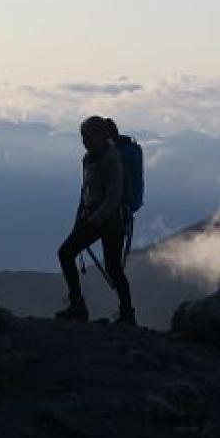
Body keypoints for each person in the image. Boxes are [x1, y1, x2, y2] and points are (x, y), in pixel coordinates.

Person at [56, 116, 136, 325]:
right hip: (105, 221)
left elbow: (113, 196)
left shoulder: (112, 159)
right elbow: (86, 192)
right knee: (113, 267)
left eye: (88, 136)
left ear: (101, 136)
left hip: (106, 221)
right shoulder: (90, 158)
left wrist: (91, 221)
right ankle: (127, 313)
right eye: (83, 137)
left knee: (66, 254)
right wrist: (81, 218)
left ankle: (78, 307)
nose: (84, 141)